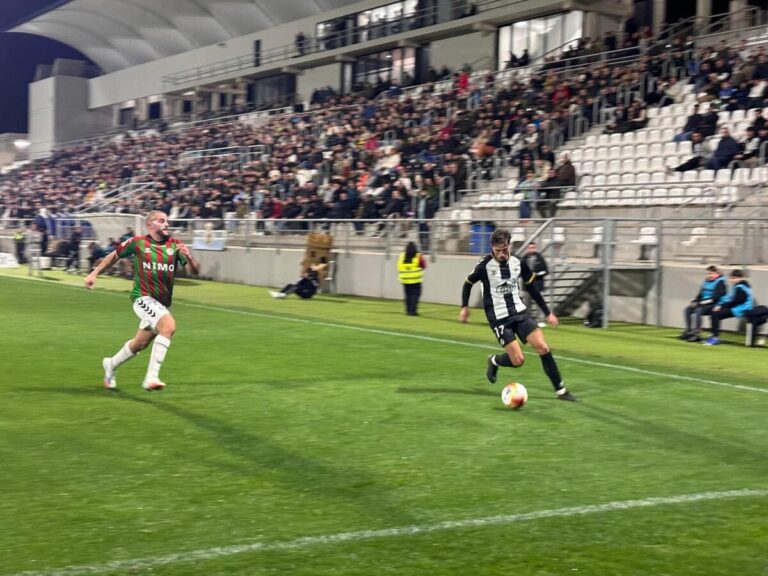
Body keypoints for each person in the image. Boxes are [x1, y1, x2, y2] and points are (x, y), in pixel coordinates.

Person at [84, 210, 200, 391]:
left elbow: (195, 271)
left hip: (160, 304)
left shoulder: (175, 245)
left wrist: (189, 256)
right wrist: (94, 273)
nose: (166, 224)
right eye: (162, 221)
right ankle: (151, 378)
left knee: (139, 344)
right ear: (150, 224)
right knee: (168, 326)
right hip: (142, 298)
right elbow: (114, 255)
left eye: (167, 221)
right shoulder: (138, 243)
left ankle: (110, 365)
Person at [458, 229, 576, 401]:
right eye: (498, 251)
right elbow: (467, 283)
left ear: (509, 246)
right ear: (492, 248)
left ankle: (561, 391)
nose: (502, 254)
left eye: (505, 250)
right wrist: (464, 307)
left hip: (519, 312)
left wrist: (548, 313)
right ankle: (494, 361)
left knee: (543, 347)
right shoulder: (484, 266)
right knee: (518, 360)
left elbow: (532, 289)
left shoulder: (518, 263)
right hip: (499, 318)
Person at [704, 269, 753, 346]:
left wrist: (721, 306)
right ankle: (713, 335)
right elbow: (732, 300)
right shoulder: (741, 286)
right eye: (731, 278)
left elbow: (736, 301)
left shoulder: (740, 287)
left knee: (715, 314)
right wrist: (721, 305)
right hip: (739, 307)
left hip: (742, 309)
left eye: (733, 278)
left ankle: (715, 338)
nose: (731, 280)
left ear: (738, 278)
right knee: (714, 313)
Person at [679, 265, 727, 342]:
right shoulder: (706, 281)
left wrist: (700, 303)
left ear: (717, 273)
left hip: (715, 305)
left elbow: (715, 298)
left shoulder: (721, 283)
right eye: (708, 273)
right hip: (704, 303)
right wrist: (695, 300)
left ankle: (697, 334)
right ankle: (688, 331)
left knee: (699, 310)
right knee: (688, 309)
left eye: (711, 273)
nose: (709, 275)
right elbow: (700, 294)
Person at [521, 242, 549, 324]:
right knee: (527, 304)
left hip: (538, 285)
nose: (531, 249)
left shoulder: (540, 258)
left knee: (539, 303)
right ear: (527, 248)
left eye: (533, 247)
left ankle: (540, 320)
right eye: (530, 248)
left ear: (535, 248)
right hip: (527, 286)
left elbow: (546, 271)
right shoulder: (524, 258)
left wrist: (537, 274)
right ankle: (528, 320)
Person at [398, 241, 427, 316]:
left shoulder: (401, 256)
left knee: (407, 295)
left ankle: (408, 310)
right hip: (415, 279)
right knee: (415, 295)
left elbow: (398, 266)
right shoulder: (418, 256)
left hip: (405, 279)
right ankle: (413, 311)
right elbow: (423, 265)